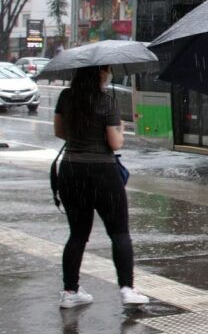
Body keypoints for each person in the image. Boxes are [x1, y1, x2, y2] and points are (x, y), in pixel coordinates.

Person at [53, 65, 149, 308]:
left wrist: (82, 135)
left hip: (71, 170)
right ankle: (127, 289)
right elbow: (115, 143)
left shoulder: (66, 97)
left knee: (77, 234)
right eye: (106, 70)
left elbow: (60, 131)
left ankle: (70, 291)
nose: (108, 74)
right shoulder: (107, 101)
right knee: (119, 232)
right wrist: (121, 130)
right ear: (98, 74)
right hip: (102, 172)